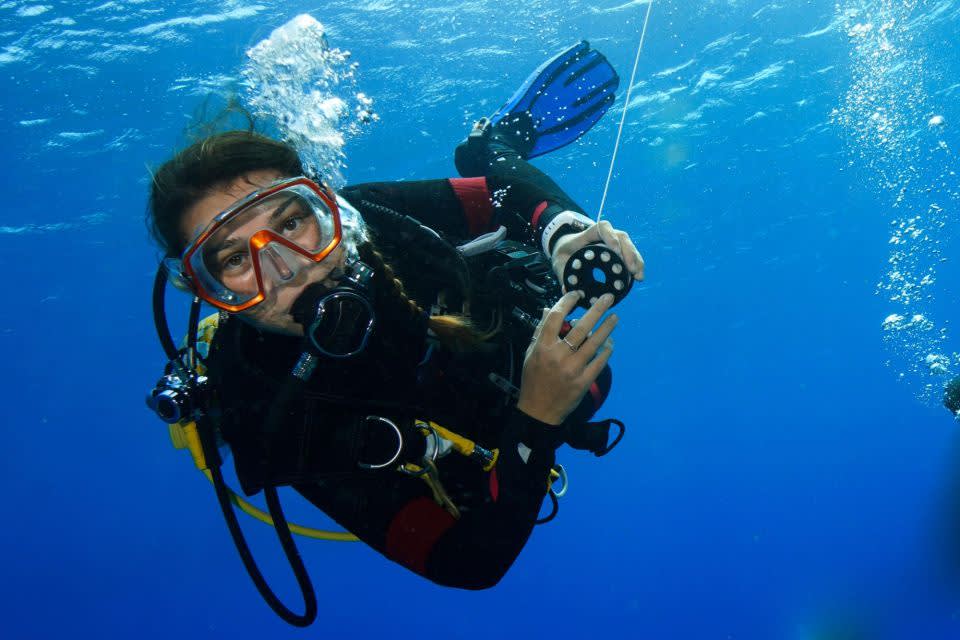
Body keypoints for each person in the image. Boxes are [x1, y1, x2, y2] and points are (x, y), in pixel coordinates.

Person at [146, 41, 644, 626]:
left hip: (509, 324)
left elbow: (493, 197)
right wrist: (536, 417)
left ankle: (491, 142)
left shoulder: (374, 217)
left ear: (329, 210)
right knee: (586, 396)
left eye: (292, 221)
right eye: (234, 259)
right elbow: (467, 562)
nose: (287, 267)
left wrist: (561, 231)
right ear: (207, 292)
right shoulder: (267, 411)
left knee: (493, 172)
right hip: (509, 428)